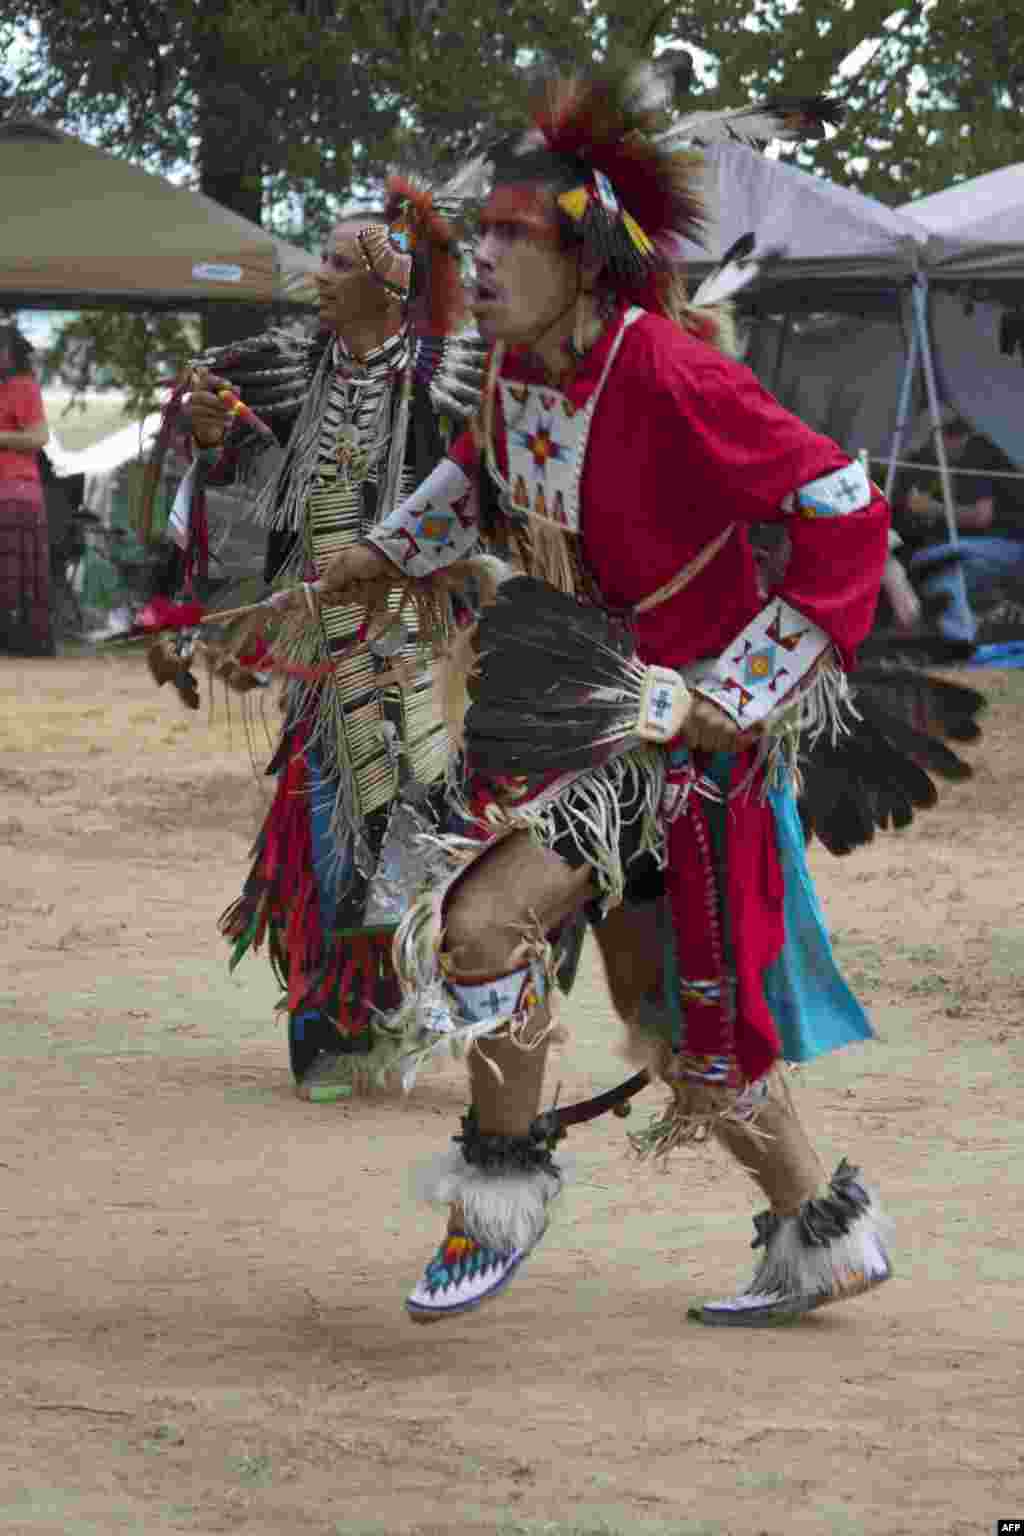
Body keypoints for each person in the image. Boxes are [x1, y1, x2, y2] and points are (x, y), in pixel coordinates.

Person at [281, 66, 898, 1326]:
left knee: (480, 928)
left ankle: (498, 1194)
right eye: (482, 234)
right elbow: (474, 473)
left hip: (671, 738)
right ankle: (819, 1234)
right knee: (670, 1025)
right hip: (574, 704)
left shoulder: (671, 374)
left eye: (518, 236)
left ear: (589, 257)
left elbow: (844, 505)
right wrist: (381, 552)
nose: (486, 259)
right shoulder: (512, 370)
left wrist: (747, 685)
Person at [162, 191, 486, 1098]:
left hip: (412, 641)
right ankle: (332, 1026)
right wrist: (226, 446)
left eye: (340, 264)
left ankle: (404, 1010)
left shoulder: (435, 385)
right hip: (320, 635)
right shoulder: (303, 375)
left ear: (390, 287)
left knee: (412, 825)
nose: (320, 278)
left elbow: (474, 498)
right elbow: (270, 499)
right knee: (328, 830)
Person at [892, 406, 1024, 642]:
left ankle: (958, 638)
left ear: (943, 437)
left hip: (1012, 545)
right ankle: (960, 634)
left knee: (929, 561)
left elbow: (982, 516)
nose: (930, 455)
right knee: (939, 571)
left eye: (930, 448)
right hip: (998, 548)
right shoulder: (984, 451)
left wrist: (934, 508)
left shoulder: (975, 451)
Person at [0, 324, 54, 657]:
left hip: (14, 492)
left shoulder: (22, 386)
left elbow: (39, 437)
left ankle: (21, 641)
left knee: (15, 575)